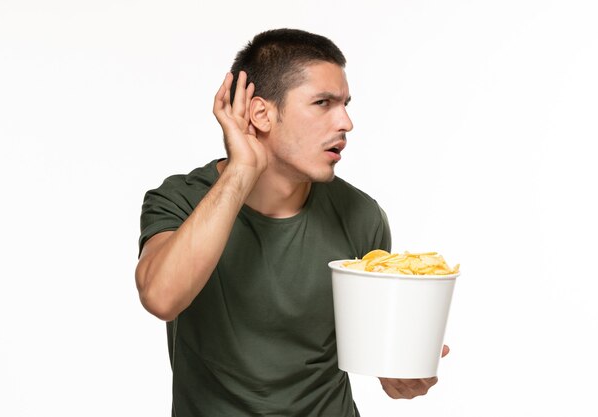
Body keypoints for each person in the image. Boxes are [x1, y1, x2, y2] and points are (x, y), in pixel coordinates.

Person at [136, 28, 448, 416]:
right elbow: (161, 297)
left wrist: (401, 373)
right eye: (323, 103)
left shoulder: (361, 216)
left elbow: (379, 354)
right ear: (262, 113)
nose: (346, 123)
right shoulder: (182, 199)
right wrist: (241, 170)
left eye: (346, 104)